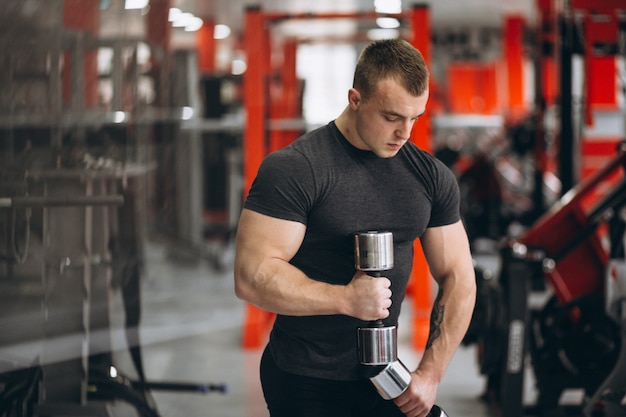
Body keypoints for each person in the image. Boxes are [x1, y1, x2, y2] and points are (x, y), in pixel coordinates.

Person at [234, 38, 476, 417]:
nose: (405, 133)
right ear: (355, 99)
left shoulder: (429, 176)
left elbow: (459, 276)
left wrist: (430, 373)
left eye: (416, 118)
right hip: (304, 377)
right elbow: (252, 276)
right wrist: (344, 299)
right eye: (392, 117)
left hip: (384, 377)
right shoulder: (297, 169)